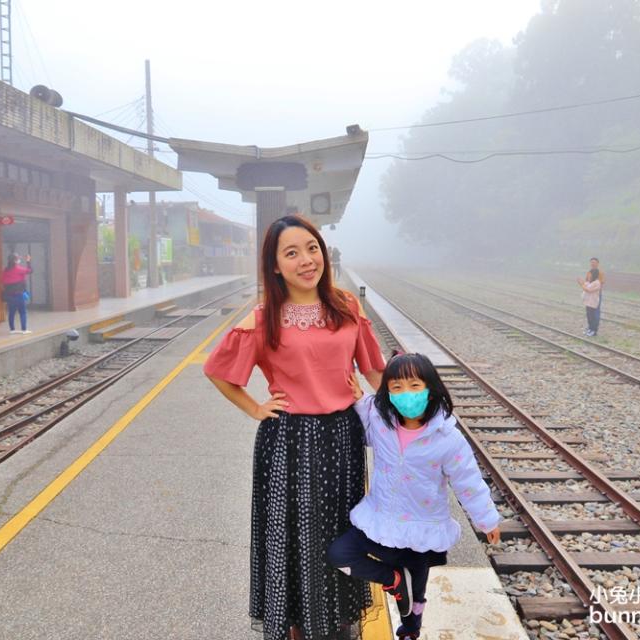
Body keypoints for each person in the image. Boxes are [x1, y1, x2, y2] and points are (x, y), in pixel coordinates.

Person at [204, 215, 385, 640]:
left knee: (342, 528)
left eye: (312, 248)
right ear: (274, 266)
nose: (307, 260)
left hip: (342, 436)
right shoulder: (264, 317)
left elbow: (373, 368)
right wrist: (254, 408)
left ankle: (336, 621)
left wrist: (411, 416)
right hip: (289, 440)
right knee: (296, 533)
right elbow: (218, 370)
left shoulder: (346, 305)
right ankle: (297, 626)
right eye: (292, 253)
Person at [327, 353, 501, 640]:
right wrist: (358, 396)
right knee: (340, 555)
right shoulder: (381, 420)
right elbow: (364, 415)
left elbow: (468, 481)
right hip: (379, 521)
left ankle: (409, 632)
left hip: (421, 531)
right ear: (388, 393)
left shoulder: (447, 438)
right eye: (396, 387)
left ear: (430, 389)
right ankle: (395, 580)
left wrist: (487, 520)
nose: (406, 394)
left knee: (413, 607)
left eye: (414, 385)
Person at [1, 253, 32, 334]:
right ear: (15, 260)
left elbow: (3, 281)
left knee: (11, 312)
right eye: (18, 258)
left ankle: (12, 329)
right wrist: (28, 261)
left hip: (9, 295)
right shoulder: (18, 269)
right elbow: (30, 271)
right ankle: (24, 330)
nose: (19, 259)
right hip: (19, 294)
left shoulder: (5, 270)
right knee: (22, 312)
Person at [578, 268, 602, 336]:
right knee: (589, 316)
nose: (588, 276)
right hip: (588, 302)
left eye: (589, 275)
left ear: (594, 275)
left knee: (593, 317)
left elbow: (588, 290)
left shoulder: (597, 283)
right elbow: (585, 285)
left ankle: (594, 330)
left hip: (593, 302)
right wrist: (582, 282)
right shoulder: (589, 282)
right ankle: (590, 329)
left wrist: (581, 284)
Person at [586, 257, 605, 330]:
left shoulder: (600, 272)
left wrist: (594, 289)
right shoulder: (589, 272)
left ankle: (594, 328)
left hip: (596, 294)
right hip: (589, 294)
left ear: (597, 263)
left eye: (594, 262)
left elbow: (601, 283)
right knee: (589, 312)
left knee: (595, 311)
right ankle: (590, 327)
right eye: (591, 262)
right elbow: (587, 282)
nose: (592, 263)